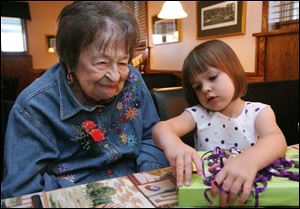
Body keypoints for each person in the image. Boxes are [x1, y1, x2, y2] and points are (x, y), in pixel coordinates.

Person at [1, 1, 168, 198]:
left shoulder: (132, 79)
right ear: (70, 61)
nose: (115, 76)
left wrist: (146, 177)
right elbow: (22, 190)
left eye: (123, 62)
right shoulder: (35, 106)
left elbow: (150, 135)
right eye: (102, 63)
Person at [152, 40, 287, 206]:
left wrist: (249, 160)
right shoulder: (199, 114)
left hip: (252, 192)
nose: (205, 89)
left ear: (234, 71)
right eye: (197, 86)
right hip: (209, 195)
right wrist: (173, 145)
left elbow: (277, 140)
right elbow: (161, 128)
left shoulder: (258, 112)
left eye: (212, 77)